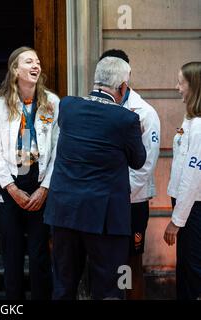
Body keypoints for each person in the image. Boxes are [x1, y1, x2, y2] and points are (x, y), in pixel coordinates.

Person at [43, 57, 146, 300]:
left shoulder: (67, 106)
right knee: (111, 289)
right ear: (122, 87)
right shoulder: (126, 119)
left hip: (65, 212)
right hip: (105, 218)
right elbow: (138, 160)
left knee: (63, 287)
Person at [0, 47, 58, 300]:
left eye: (38, 61)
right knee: (12, 256)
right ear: (15, 70)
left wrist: (45, 188)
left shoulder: (52, 102)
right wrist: (11, 188)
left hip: (39, 180)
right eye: (29, 62)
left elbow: (59, 149)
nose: (36, 65)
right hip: (10, 182)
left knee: (39, 255)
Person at [100, 49, 161, 300]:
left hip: (131, 203)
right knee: (106, 263)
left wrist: (120, 195)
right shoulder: (95, 108)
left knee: (130, 264)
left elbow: (145, 166)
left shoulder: (144, 112)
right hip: (102, 202)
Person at [164, 61, 201, 300]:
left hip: (193, 208)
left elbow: (192, 176)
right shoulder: (190, 120)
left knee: (194, 271)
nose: (177, 88)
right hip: (186, 206)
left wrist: (176, 221)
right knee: (186, 269)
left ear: (194, 86)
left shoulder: (198, 127)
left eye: (181, 83)